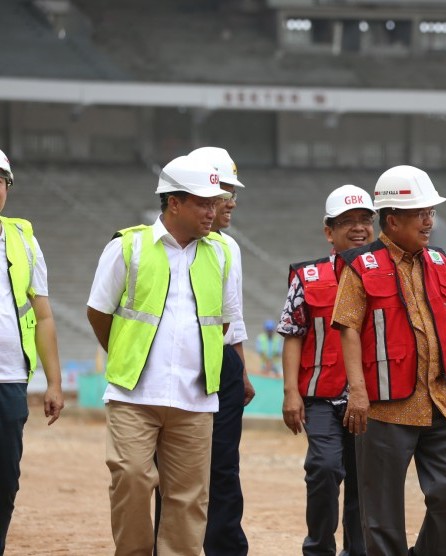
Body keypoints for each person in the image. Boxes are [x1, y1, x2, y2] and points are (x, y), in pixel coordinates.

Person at [87, 156, 239, 556]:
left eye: (215, 201)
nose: (214, 210)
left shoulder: (221, 253)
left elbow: (221, 322)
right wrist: (126, 354)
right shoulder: (127, 246)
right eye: (204, 203)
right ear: (174, 203)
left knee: (190, 499)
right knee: (132, 479)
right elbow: (98, 312)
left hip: (195, 399)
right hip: (134, 396)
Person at [332, 165, 446, 556]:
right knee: (381, 513)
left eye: (431, 212)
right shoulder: (361, 266)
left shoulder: (440, 261)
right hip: (385, 407)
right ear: (392, 220)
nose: (429, 221)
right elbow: (346, 328)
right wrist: (357, 393)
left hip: (443, 401)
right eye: (420, 213)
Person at [279, 184, 375, 556]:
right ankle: (318, 548)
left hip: (375, 399)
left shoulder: (389, 275)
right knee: (323, 468)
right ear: (328, 231)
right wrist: (291, 393)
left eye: (365, 220)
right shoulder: (308, 276)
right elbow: (292, 333)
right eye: (347, 222)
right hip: (321, 397)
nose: (358, 228)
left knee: (364, 483)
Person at [188, 146, 255, 555]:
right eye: (223, 190)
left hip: (223, 366)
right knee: (177, 469)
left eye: (232, 191)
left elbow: (234, 317)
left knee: (223, 465)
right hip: (183, 365)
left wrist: (241, 372)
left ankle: (225, 547)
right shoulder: (161, 245)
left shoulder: (230, 248)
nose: (231, 201)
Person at [0, 149, 63, 555]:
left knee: (4, 482)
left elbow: (42, 316)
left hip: (8, 381)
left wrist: (54, 382)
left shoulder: (23, 239)